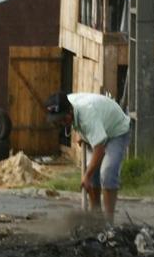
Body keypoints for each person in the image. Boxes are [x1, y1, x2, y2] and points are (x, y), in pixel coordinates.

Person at [45, 91, 131, 224]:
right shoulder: (67, 102)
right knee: (92, 174)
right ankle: (96, 218)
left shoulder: (87, 114)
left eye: (63, 119)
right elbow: (85, 126)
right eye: (58, 121)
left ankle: (109, 224)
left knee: (107, 173)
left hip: (116, 131)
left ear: (70, 110)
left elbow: (100, 149)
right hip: (100, 126)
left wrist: (87, 175)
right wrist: (85, 135)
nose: (61, 123)